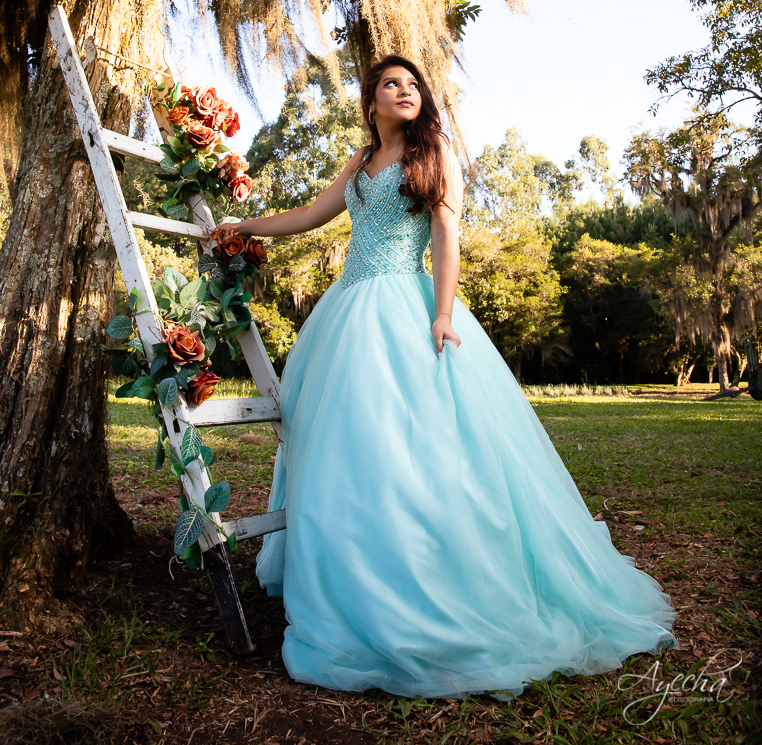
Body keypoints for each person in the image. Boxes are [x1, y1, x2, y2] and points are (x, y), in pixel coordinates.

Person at [234, 55, 679, 698]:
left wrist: (441, 314)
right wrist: (243, 226)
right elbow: (308, 215)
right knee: (345, 446)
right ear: (372, 100)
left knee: (415, 446)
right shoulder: (359, 164)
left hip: (405, 308)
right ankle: (352, 573)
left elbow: (447, 232)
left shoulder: (433, 152)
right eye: (392, 84)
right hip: (349, 311)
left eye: (414, 85)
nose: (405, 92)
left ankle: (425, 581)